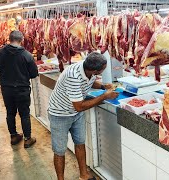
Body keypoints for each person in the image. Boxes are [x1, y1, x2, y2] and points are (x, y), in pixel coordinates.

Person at [48, 52, 119, 180]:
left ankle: (84, 175)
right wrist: (104, 96)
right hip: (59, 114)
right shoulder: (73, 76)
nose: (104, 71)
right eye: (102, 69)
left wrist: (103, 86)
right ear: (95, 70)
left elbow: (90, 81)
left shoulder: (87, 69)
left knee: (80, 143)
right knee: (59, 150)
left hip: (76, 114)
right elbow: (79, 106)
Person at [0, 30, 38, 148]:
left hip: (6, 89)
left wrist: (3, 76)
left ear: (9, 39)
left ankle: (14, 136)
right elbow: (34, 74)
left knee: (10, 113)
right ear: (21, 40)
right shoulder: (27, 55)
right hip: (22, 90)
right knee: (24, 114)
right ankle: (27, 139)